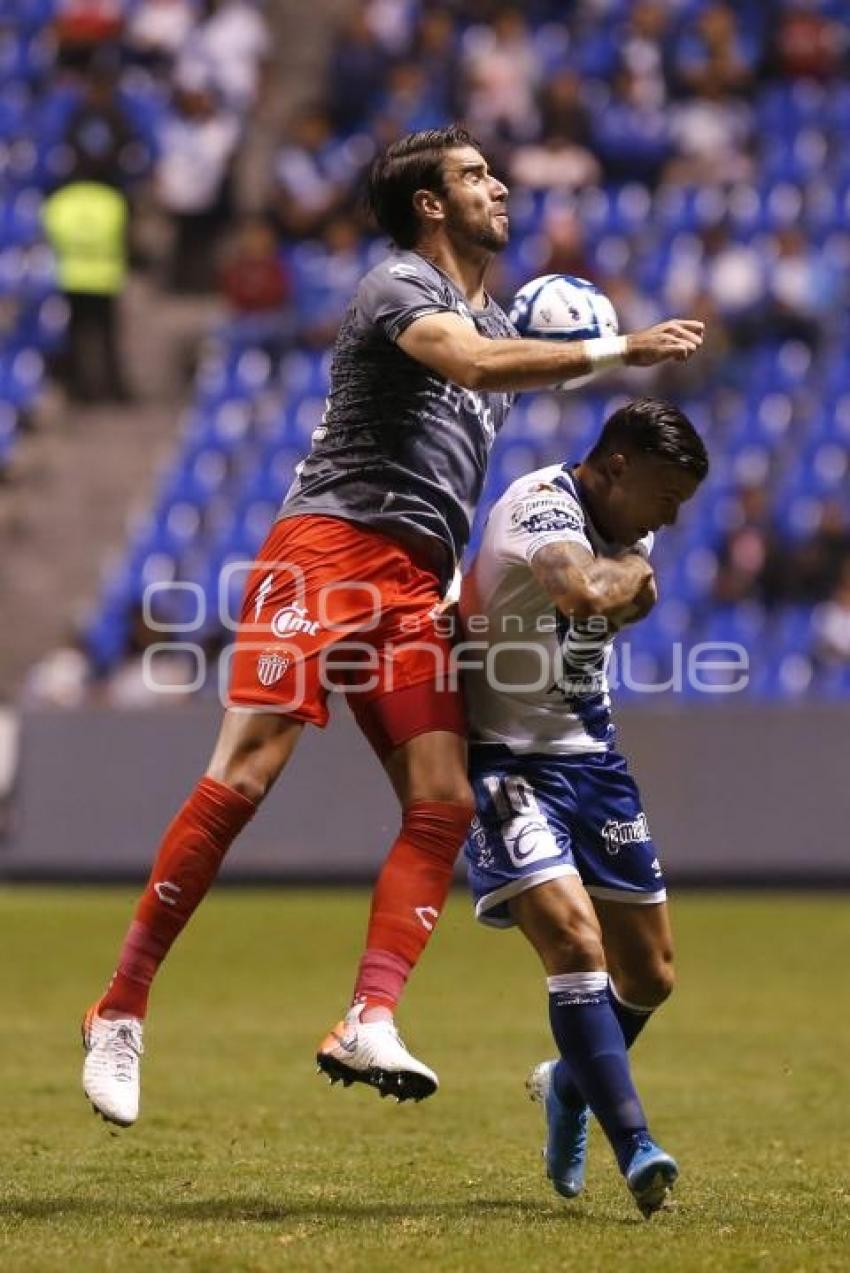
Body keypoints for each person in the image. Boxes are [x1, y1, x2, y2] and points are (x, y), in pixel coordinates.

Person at [81, 124, 704, 1128]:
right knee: (248, 771)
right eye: (474, 176)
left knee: (444, 797)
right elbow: (470, 363)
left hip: (416, 578)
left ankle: (369, 1014)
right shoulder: (397, 288)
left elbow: (515, 359)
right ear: (428, 203)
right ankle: (119, 1009)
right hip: (326, 548)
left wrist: (581, 351)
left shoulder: (499, 315)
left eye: (493, 173)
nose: (497, 186)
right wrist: (616, 346)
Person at [459, 398, 708, 1216]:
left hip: (593, 756)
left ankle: (569, 1083)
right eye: (668, 494)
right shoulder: (542, 505)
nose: (672, 516)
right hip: (504, 758)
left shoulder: (634, 522)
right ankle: (635, 1141)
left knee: (652, 975)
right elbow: (581, 591)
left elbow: (624, 593)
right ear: (618, 466)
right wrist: (623, 583)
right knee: (574, 941)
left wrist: (624, 582)